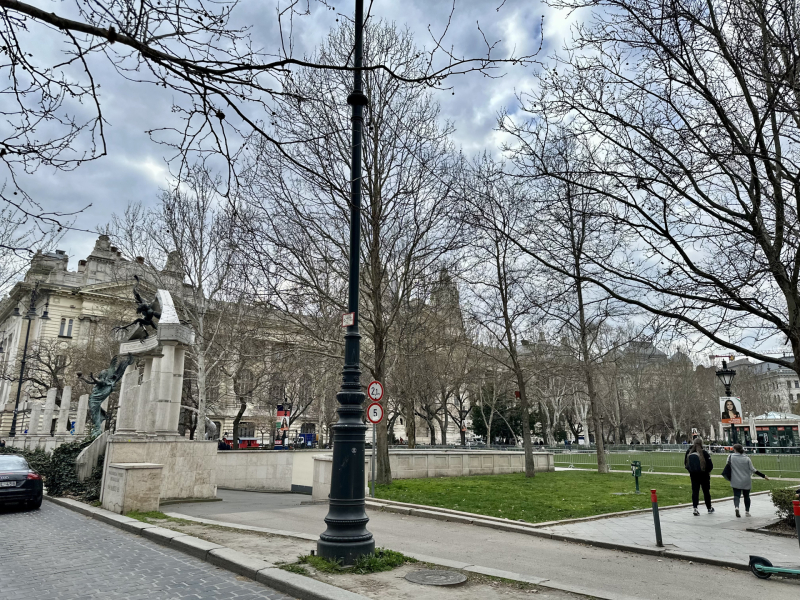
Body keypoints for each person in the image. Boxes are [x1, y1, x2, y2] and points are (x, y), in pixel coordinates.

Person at [727, 443, 769, 517]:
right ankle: (747, 511)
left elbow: (728, 465)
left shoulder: (730, 457)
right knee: (746, 496)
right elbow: (753, 469)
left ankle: (737, 507)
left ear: (735, 450)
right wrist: (763, 476)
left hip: (735, 479)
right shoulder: (747, 458)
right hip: (746, 479)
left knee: (736, 495)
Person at [685, 437, 714, 515]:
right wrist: (707, 471)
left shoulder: (689, 452)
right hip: (704, 475)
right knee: (706, 491)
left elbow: (686, 464)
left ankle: (695, 508)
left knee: (695, 491)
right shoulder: (704, 453)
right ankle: (709, 507)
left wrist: (691, 471)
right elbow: (710, 465)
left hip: (693, 475)